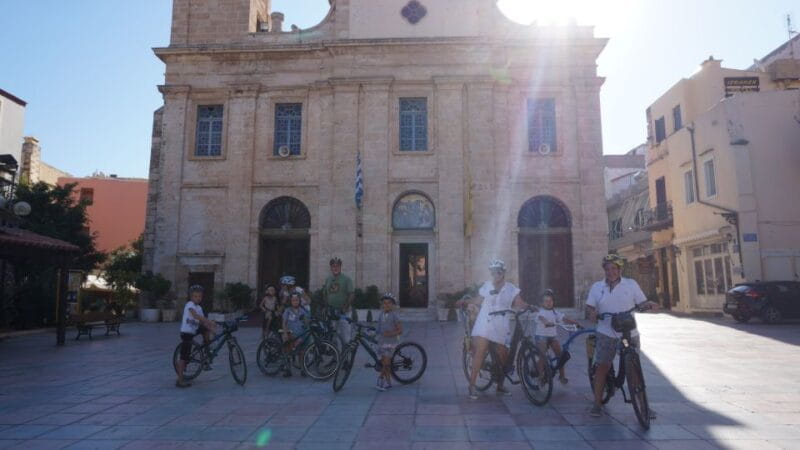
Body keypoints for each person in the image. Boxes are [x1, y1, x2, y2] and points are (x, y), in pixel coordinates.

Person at [586, 254, 660, 418]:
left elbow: (641, 302)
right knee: (602, 367)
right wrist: (592, 313)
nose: (610, 272)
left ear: (620, 269)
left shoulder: (631, 284)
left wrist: (649, 304)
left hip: (628, 332)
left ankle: (644, 406)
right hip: (606, 332)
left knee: (634, 370)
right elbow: (590, 306)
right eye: (607, 269)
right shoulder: (597, 287)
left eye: (614, 268)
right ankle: (597, 403)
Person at [457, 259, 527, 399]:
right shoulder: (487, 286)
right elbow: (478, 300)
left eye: (499, 272)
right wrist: (464, 301)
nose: (496, 275)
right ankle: (472, 385)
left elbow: (519, 302)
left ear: (503, 273)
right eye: (494, 272)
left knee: (503, 356)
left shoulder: (511, 288)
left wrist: (530, 306)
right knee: (481, 351)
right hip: (486, 322)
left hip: (501, 325)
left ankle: (500, 385)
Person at [535, 289, 583, 385]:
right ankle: (540, 376)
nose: (549, 303)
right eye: (546, 301)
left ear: (553, 302)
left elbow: (564, 318)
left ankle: (562, 376)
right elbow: (541, 318)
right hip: (541, 337)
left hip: (552, 337)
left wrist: (576, 323)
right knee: (542, 356)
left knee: (560, 356)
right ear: (542, 303)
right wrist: (546, 322)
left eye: (550, 301)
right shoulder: (541, 312)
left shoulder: (555, 312)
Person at [176, 285, 218, 388]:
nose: (198, 298)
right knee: (184, 357)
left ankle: (206, 348)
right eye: (195, 296)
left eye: (199, 296)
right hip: (186, 333)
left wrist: (211, 328)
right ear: (191, 297)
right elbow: (195, 316)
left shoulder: (199, 308)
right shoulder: (189, 305)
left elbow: (202, 321)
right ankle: (180, 380)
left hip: (194, 331)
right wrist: (209, 321)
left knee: (205, 329)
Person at [323, 257, 354, 343]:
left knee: (345, 337)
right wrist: (326, 307)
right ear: (331, 268)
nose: (335, 268)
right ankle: (335, 352)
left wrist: (345, 307)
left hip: (344, 313)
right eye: (333, 266)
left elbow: (351, 294)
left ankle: (346, 352)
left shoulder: (347, 279)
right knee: (333, 337)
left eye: (337, 266)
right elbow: (325, 294)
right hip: (332, 312)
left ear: (340, 267)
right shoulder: (328, 279)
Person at [375, 293, 402, 391]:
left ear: (393, 305)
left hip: (390, 342)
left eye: (389, 303)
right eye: (384, 303)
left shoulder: (395, 316)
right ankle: (388, 382)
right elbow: (378, 328)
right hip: (382, 342)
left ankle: (381, 378)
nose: (386, 305)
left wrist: (390, 333)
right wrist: (374, 332)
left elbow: (400, 330)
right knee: (386, 363)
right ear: (382, 305)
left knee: (386, 363)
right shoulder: (381, 315)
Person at [281, 292, 310, 377]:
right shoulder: (287, 311)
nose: (295, 302)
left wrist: (307, 321)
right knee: (288, 351)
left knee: (302, 352)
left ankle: (303, 369)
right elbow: (284, 323)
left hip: (301, 335)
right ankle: (287, 369)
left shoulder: (302, 310)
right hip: (290, 334)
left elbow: (306, 322)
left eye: (297, 300)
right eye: (293, 300)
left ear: (299, 301)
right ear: (290, 301)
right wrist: (285, 333)